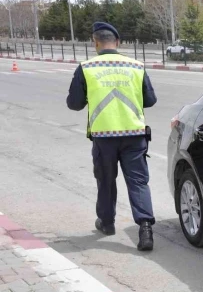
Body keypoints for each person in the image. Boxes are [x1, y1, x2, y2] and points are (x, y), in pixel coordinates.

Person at [66, 22, 157, 251]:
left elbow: (74, 104)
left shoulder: (86, 68)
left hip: (104, 136)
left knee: (105, 180)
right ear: (117, 43)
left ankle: (106, 223)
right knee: (138, 182)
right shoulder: (136, 66)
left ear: (95, 43)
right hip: (135, 135)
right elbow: (150, 101)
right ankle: (145, 228)